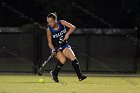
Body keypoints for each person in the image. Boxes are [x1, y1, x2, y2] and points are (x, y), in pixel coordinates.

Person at [47, 12, 86, 82]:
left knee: (73, 57)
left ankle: (80, 76)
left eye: (51, 21)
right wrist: (53, 49)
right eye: (48, 22)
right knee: (63, 60)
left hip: (64, 45)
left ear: (55, 20)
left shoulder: (62, 22)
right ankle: (54, 73)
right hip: (55, 48)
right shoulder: (49, 30)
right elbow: (50, 43)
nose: (50, 23)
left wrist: (67, 34)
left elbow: (73, 27)